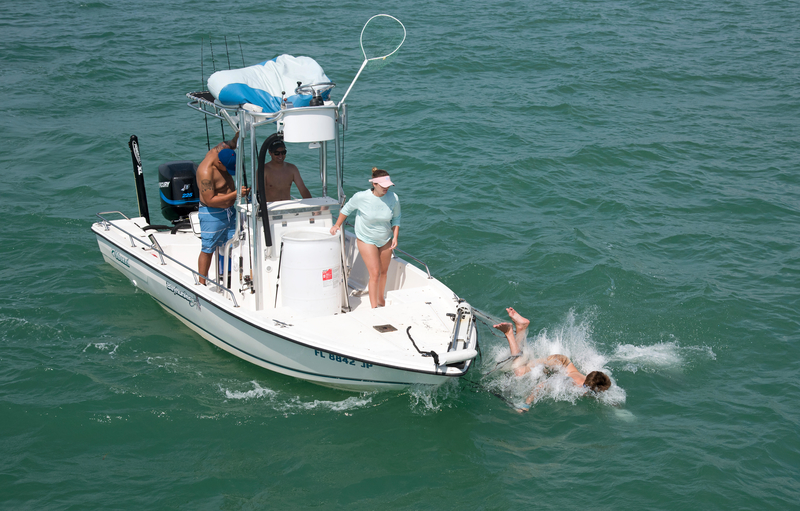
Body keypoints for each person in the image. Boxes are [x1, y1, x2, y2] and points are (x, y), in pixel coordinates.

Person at [493, 307, 611, 412]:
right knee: (518, 371)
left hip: (562, 363)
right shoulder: (574, 384)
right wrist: (527, 403)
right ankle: (509, 332)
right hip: (557, 363)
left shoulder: (591, 383)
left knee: (527, 364)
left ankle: (521, 326)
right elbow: (543, 385)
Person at [329, 168, 401, 308]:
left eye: (388, 186)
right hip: (366, 239)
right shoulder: (361, 197)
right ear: (374, 184)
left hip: (385, 238)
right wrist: (337, 225)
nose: (386, 188)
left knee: (383, 272)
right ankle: (374, 307)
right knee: (374, 273)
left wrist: (395, 237)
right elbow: (346, 210)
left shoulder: (394, 198)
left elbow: (397, 218)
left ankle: (381, 300)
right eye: (383, 186)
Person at [196, 133, 249, 285]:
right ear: (219, 162)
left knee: (236, 242)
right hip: (212, 214)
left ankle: (236, 278)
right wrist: (236, 194)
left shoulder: (221, 150)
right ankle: (202, 283)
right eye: (226, 168)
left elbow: (231, 142)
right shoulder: (206, 172)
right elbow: (209, 200)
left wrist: (238, 135)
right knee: (208, 247)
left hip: (230, 212)